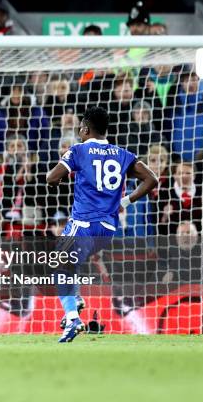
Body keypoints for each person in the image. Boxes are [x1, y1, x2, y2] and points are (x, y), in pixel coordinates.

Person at [46, 106, 158, 342]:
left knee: (58, 264)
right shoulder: (123, 154)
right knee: (70, 262)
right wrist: (125, 202)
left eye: (80, 127)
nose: (78, 130)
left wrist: (63, 175)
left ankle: (73, 317)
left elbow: (51, 178)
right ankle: (74, 300)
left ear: (85, 128)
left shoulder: (78, 150)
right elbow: (152, 179)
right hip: (107, 230)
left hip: (84, 222)